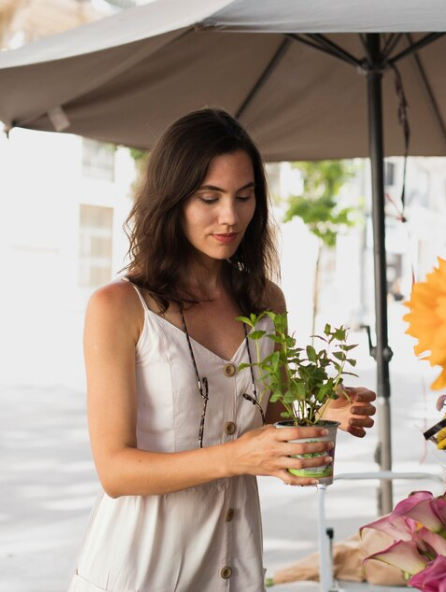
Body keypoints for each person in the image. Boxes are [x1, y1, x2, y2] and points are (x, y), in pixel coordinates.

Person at [68, 108, 377, 592]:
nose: (230, 217)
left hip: (234, 563)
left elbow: (268, 406)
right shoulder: (119, 307)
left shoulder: (264, 300)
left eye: (244, 196)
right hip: (138, 568)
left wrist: (324, 408)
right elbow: (115, 470)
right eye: (209, 197)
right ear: (172, 200)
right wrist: (239, 457)